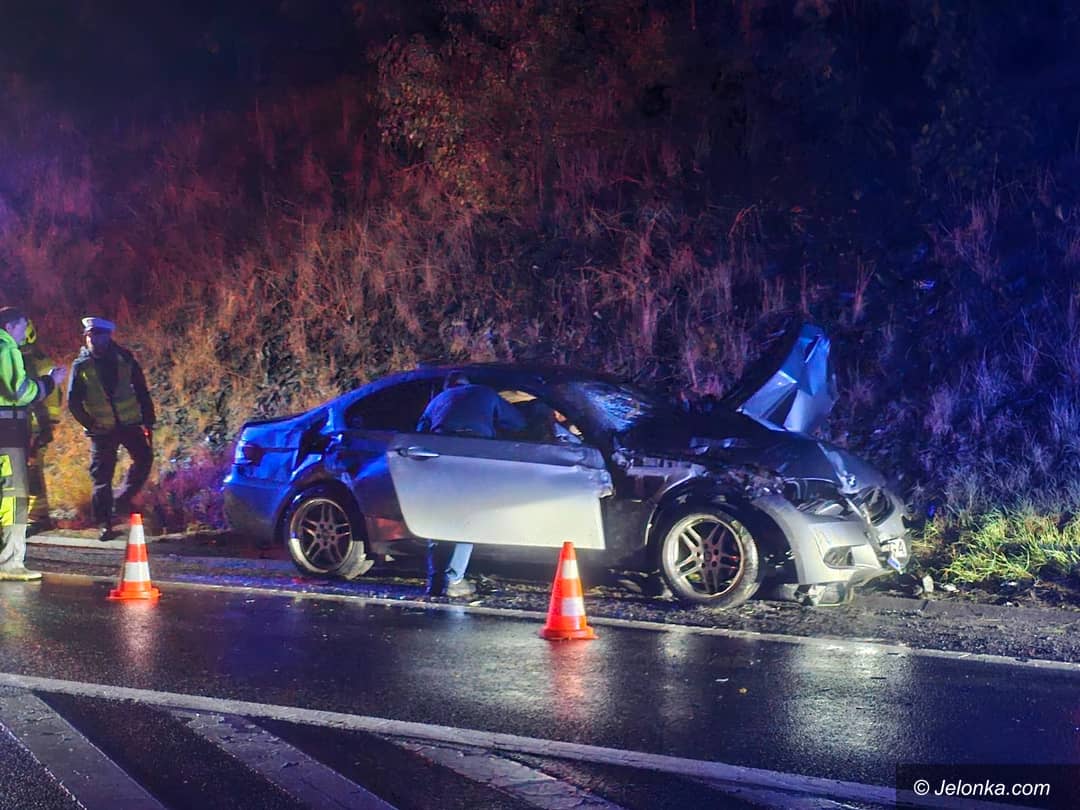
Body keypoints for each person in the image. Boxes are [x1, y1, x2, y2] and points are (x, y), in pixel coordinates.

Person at [416, 371, 527, 597]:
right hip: (474, 452)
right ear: (467, 383)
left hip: (441, 455)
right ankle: (453, 579)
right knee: (468, 516)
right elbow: (518, 423)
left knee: (437, 517)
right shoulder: (484, 393)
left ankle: (435, 581)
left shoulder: (437, 401)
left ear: (448, 386)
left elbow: (419, 434)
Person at [67, 317, 156, 542]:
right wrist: (90, 424)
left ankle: (122, 499)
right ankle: (104, 523)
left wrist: (148, 419)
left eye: (96, 335)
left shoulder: (124, 358)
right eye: (88, 336)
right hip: (102, 430)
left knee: (144, 459)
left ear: (107, 336)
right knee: (102, 477)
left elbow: (141, 389)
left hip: (129, 423)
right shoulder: (81, 366)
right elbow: (73, 402)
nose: (91, 340)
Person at [0, 306, 66, 581]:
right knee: (13, 496)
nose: (24, 333)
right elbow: (21, 392)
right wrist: (50, 382)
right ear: (10, 327)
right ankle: (10, 562)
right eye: (22, 327)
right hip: (7, 432)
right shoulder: (6, 349)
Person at [20, 320, 63, 534]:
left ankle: (39, 517)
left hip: (34, 427)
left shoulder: (38, 362)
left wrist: (48, 426)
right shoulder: (9, 358)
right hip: (14, 426)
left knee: (32, 472)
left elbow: (52, 397)